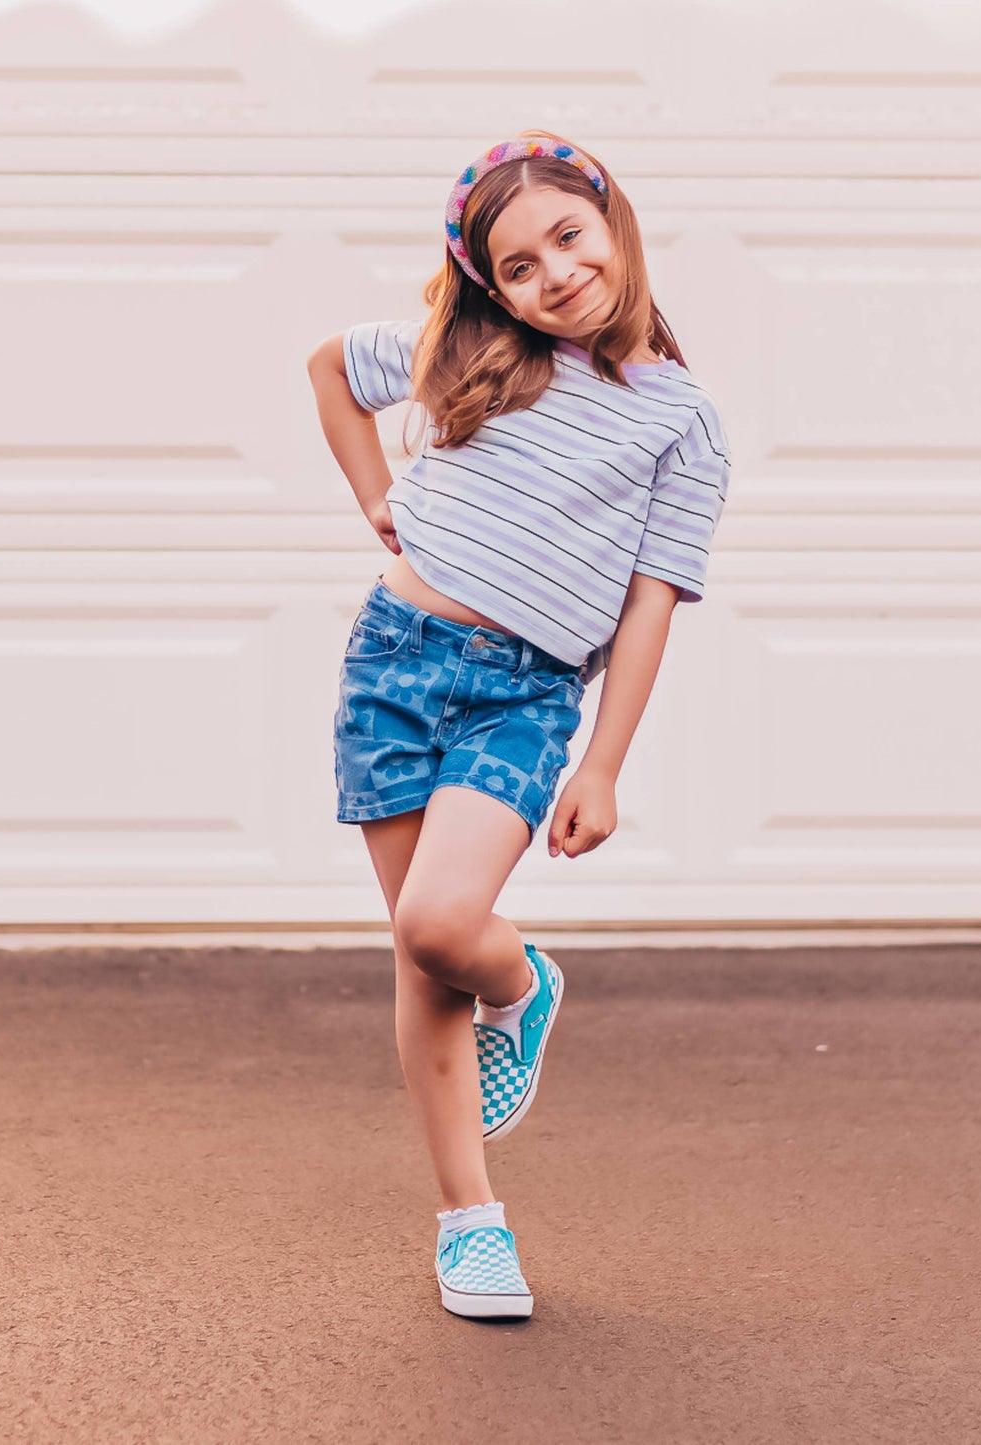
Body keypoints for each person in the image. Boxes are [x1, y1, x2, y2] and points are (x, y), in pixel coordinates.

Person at [306, 130, 730, 1320]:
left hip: (523, 689)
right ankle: (469, 1221)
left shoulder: (680, 421)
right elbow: (330, 367)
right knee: (415, 951)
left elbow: (650, 606)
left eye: (567, 237)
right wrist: (374, 495)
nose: (553, 272)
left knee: (445, 924)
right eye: (519, 263)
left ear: (612, 225)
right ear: (488, 283)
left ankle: (525, 979)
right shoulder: (466, 349)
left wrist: (601, 760)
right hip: (392, 660)